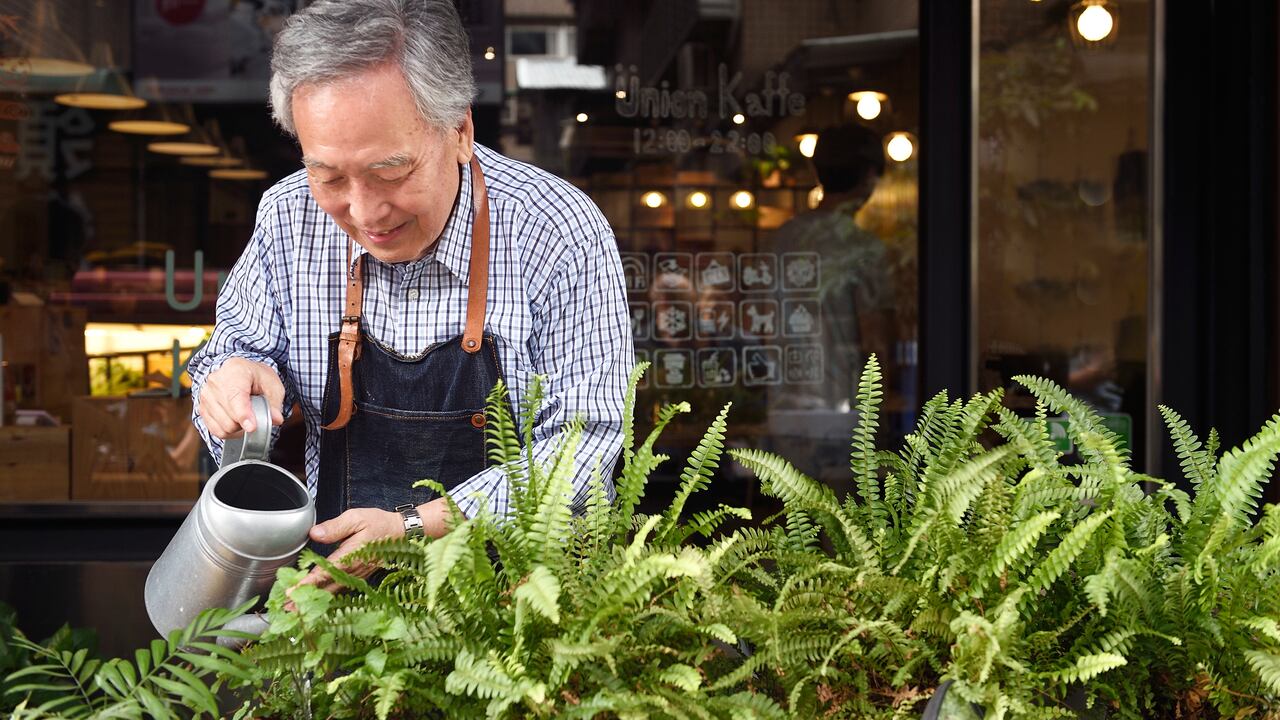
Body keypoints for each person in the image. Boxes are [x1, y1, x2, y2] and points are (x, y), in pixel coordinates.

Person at [187, 0, 633, 594]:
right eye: (329, 177)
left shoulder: (556, 231)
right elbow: (231, 355)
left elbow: (589, 446)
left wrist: (420, 528)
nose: (365, 212)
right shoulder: (287, 216)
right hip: (335, 614)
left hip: (518, 625)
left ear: (461, 131)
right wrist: (233, 385)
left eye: (391, 172)